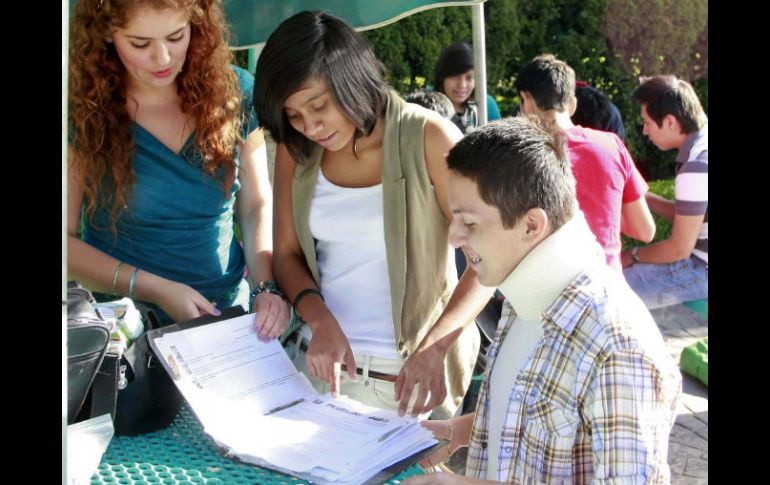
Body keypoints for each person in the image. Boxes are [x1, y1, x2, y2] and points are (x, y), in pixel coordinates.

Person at [404, 116, 681, 485]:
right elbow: (544, 414)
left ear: (532, 225)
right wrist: (463, 430)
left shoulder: (617, 346)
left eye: (469, 223)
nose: (453, 237)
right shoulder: (526, 291)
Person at [253, 11, 493, 418]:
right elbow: (287, 254)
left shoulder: (430, 138)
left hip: (402, 381)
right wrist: (320, 319)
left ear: (350, 79)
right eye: (294, 115)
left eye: (319, 106)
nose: (310, 126)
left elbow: (490, 261)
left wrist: (435, 347)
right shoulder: (297, 150)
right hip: (311, 362)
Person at [67, 0, 289, 338]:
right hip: (126, 334)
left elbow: (256, 205)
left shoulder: (237, 91)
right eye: (140, 44)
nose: (163, 58)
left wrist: (265, 287)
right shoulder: (80, 111)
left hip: (230, 319)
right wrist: (156, 288)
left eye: (176, 36)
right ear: (106, 35)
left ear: (197, 25)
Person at [515, 54, 656, 271]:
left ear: (527, 99)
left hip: (548, 289)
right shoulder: (612, 145)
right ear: (571, 105)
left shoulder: (521, 157)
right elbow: (645, 231)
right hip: (607, 288)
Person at [621, 75, 708, 309]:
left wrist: (632, 255)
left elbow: (679, 249)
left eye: (647, 123)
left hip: (702, 270)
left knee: (614, 290)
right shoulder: (703, 146)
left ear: (670, 121)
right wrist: (643, 196)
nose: (645, 131)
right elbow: (692, 218)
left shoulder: (697, 165)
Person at [433, 42, 502, 134]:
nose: (462, 84)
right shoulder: (426, 104)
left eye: (469, 78)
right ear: (442, 76)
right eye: (455, 76)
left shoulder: (486, 105)